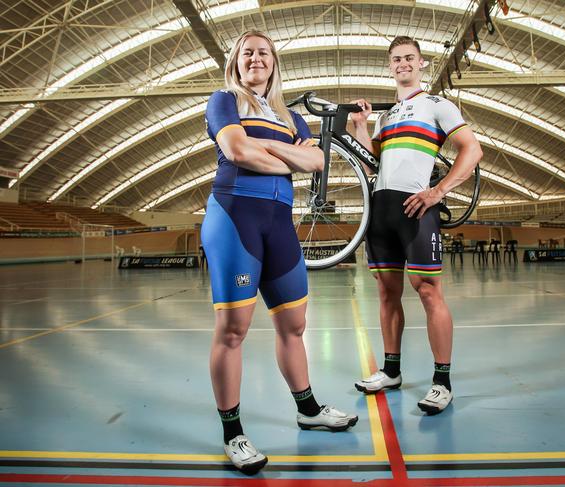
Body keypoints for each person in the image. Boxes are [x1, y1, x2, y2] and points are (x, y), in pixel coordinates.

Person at [202, 30, 358, 475]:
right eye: (247, 52)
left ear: (274, 63)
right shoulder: (224, 100)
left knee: (295, 322)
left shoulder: (293, 117)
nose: (256, 58)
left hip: (279, 223)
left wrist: (263, 149)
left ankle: (307, 410)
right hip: (235, 218)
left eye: (264, 53)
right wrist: (286, 154)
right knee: (234, 329)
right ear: (236, 61)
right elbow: (234, 149)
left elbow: (316, 163)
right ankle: (233, 432)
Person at [350, 36, 482, 415]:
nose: (402, 64)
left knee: (428, 292)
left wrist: (438, 191)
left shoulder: (438, 105)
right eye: (396, 59)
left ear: (421, 64)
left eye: (409, 58)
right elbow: (370, 164)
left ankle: (442, 382)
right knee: (387, 293)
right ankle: (391, 372)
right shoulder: (386, 116)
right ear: (389, 67)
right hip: (381, 211)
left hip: (416, 208)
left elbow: (472, 150)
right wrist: (361, 126)